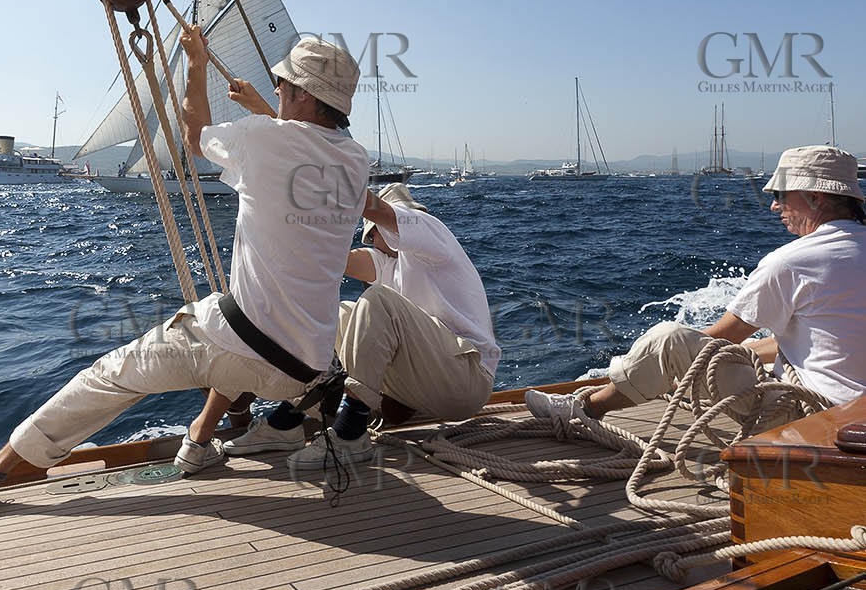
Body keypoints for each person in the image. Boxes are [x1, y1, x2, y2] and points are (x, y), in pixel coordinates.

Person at [0, 30, 370, 513]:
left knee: (110, 375)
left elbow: (194, 138)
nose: (275, 90)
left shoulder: (262, 138)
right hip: (305, 370)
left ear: (301, 94)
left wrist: (194, 65)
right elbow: (304, 147)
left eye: (282, 85)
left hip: (251, 352)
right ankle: (198, 445)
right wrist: (267, 113)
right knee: (231, 335)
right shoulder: (355, 161)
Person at [526, 145, 866, 434]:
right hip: (856, 416)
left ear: (815, 196)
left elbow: (720, 340)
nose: (774, 206)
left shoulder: (793, 262)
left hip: (818, 421)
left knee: (670, 341)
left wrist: (675, 367)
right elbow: (813, 341)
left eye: (779, 195)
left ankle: (582, 412)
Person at [227, 182, 500, 468]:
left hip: (466, 381)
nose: (370, 243)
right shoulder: (388, 265)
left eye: (371, 235)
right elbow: (334, 260)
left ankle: (350, 432)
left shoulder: (429, 231)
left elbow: (382, 213)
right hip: (429, 383)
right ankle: (289, 420)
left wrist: (325, 181)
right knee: (340, 314)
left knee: (378, 301)